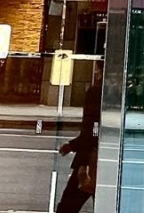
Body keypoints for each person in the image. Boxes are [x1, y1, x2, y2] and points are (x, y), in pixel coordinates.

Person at [56, 79, 102, 213]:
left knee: (68, 206)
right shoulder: (115, 91)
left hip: (90, 160)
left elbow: (92, 129)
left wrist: (83, 161)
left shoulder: (96, 92)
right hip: (105, 161)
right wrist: (73, 145)